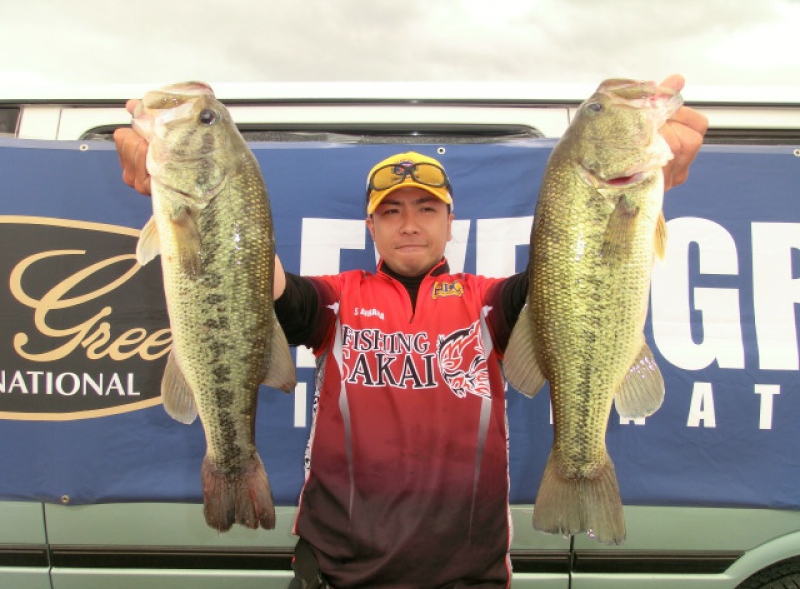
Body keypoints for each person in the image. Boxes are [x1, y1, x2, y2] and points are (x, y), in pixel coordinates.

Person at [114, 74, 708, 589]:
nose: (410, 225)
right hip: (337, 571)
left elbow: (571, 283)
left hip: (467, 573)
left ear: (451, 222)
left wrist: (642, 188)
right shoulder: (338, 298)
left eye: (426, 209)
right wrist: (191, 202)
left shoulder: (487, 301)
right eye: (392, 211)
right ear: (371, 225)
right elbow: (257, 283)